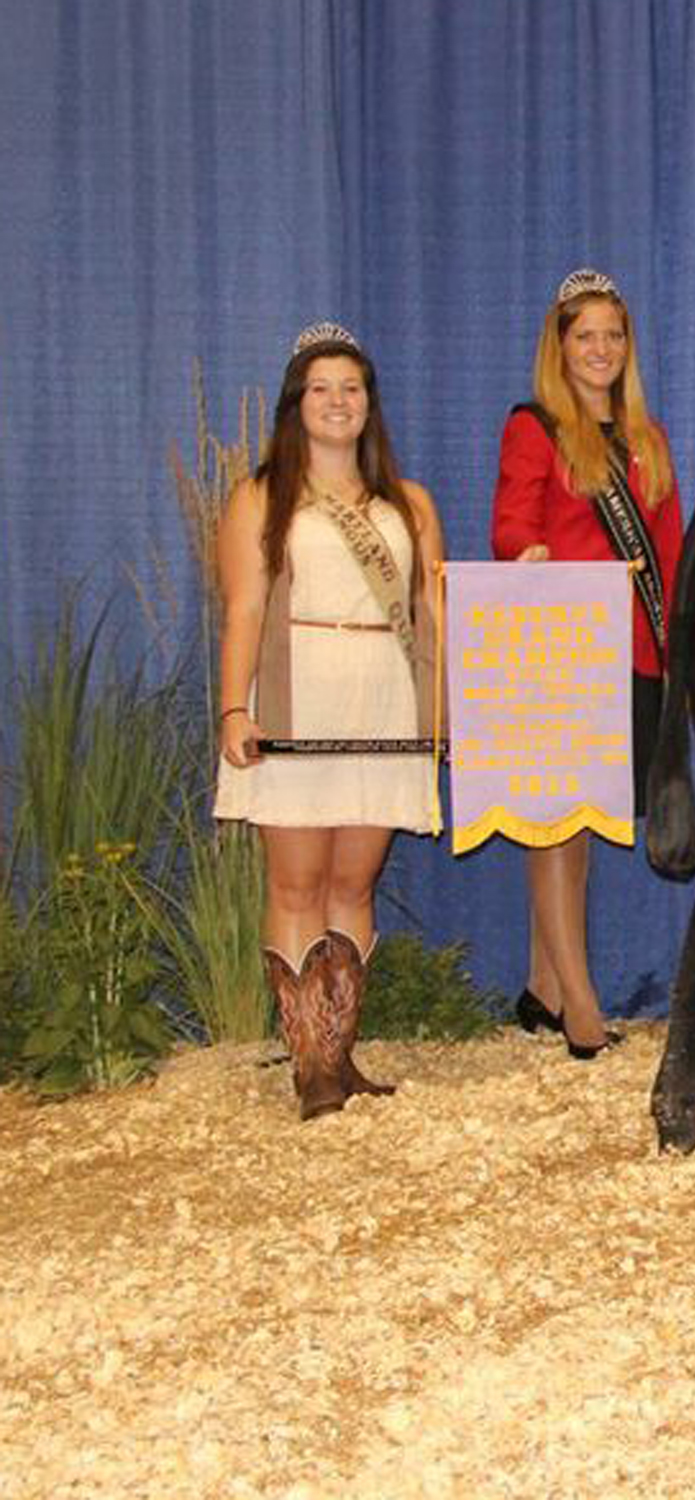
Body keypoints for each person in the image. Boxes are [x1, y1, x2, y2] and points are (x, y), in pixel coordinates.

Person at [217, 321, 445, 1120]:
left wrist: (443, 713)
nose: (338, 402)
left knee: (354, 878)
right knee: (297, 878)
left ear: (369, 405)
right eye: (322, 388)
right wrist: (233, 707)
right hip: (296, 692)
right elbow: (243, 607)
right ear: (297, 403)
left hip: (382, 696)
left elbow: (431, 614)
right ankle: (308, 1063)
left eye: (352, 388)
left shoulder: (407, 503)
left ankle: (340, 1053)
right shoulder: (261, 495)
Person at [491, 267, 684, 1058]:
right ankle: (581, 1008)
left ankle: (542, 984)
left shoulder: (647, 437)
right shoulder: (535, 427)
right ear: (560, 346)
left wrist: (677, 646)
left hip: (634, 648)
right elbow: (509, 524)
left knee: (587, 827)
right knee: (555, 828)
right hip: (562, 647)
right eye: (585, 336)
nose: (600, 349)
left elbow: (667, 547)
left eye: (613, 335)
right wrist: (525, 555)